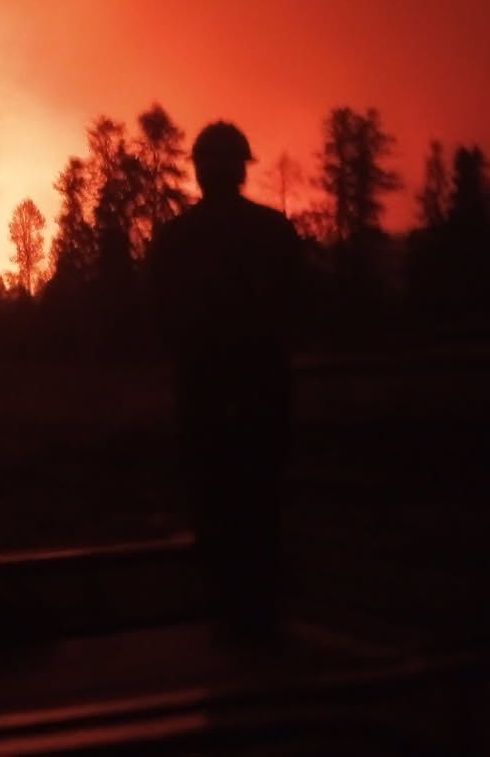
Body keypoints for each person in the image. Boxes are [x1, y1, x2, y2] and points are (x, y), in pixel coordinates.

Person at [148, 121, 305, 642]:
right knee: (262, 515)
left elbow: (159, 319)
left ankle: (225, 630)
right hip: (263, 400)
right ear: (241, 169)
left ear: (199, 172)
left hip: (205, 405)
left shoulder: (176, 239)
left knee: (215, 518)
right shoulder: (273, 232)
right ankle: (262, 629)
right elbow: (299, 307)